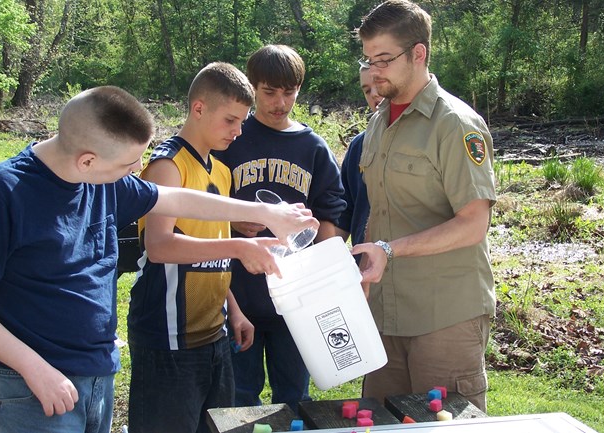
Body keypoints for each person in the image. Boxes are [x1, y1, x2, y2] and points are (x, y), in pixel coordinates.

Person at [0, 85, 318, 433]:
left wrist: (266, 212)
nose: (137, 171)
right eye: (129, 163)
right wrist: (33, 368)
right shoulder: (5, 193)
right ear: (87, 160)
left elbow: (175, 199)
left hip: (96, 371)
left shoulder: (102, 180)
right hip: (30, 385)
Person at [351, 0, 497, 412]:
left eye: (384, 59)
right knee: (379, 423)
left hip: (443, 318)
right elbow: (382, 214)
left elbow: (473, 224)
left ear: (419, 54)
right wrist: (361, 278)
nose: (374, 71)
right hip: (385, 317)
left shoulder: (455, 124)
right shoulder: (380, 121)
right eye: (368, 59)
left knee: (445, 424)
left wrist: (391, 250)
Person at [127, 63, 270, 433]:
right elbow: (159, 246)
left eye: (242, 121)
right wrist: (241, 246)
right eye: (231, 120)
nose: (239, 131)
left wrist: (234, 310)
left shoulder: (221, 172)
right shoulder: (168, 165)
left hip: (215, 335)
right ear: (199, 108)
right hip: (168, 339)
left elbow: (216, 251)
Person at [213, 44, 346, 412]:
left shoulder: (313, 147)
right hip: (239, 293)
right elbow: (201, 204)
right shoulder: (232, 140)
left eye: (289, 92)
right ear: (252, 87)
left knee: (295, 400)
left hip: (296, 299)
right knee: (239, 400)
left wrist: (323, 266)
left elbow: (333, 211)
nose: (280, 102)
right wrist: (233, 219)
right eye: (269, 92)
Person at [335, 65, 382, 252]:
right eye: (367, 90)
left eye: (379, 85)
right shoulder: (359, 145)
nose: (374, 95)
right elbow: (344, 212)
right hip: (364, 267)